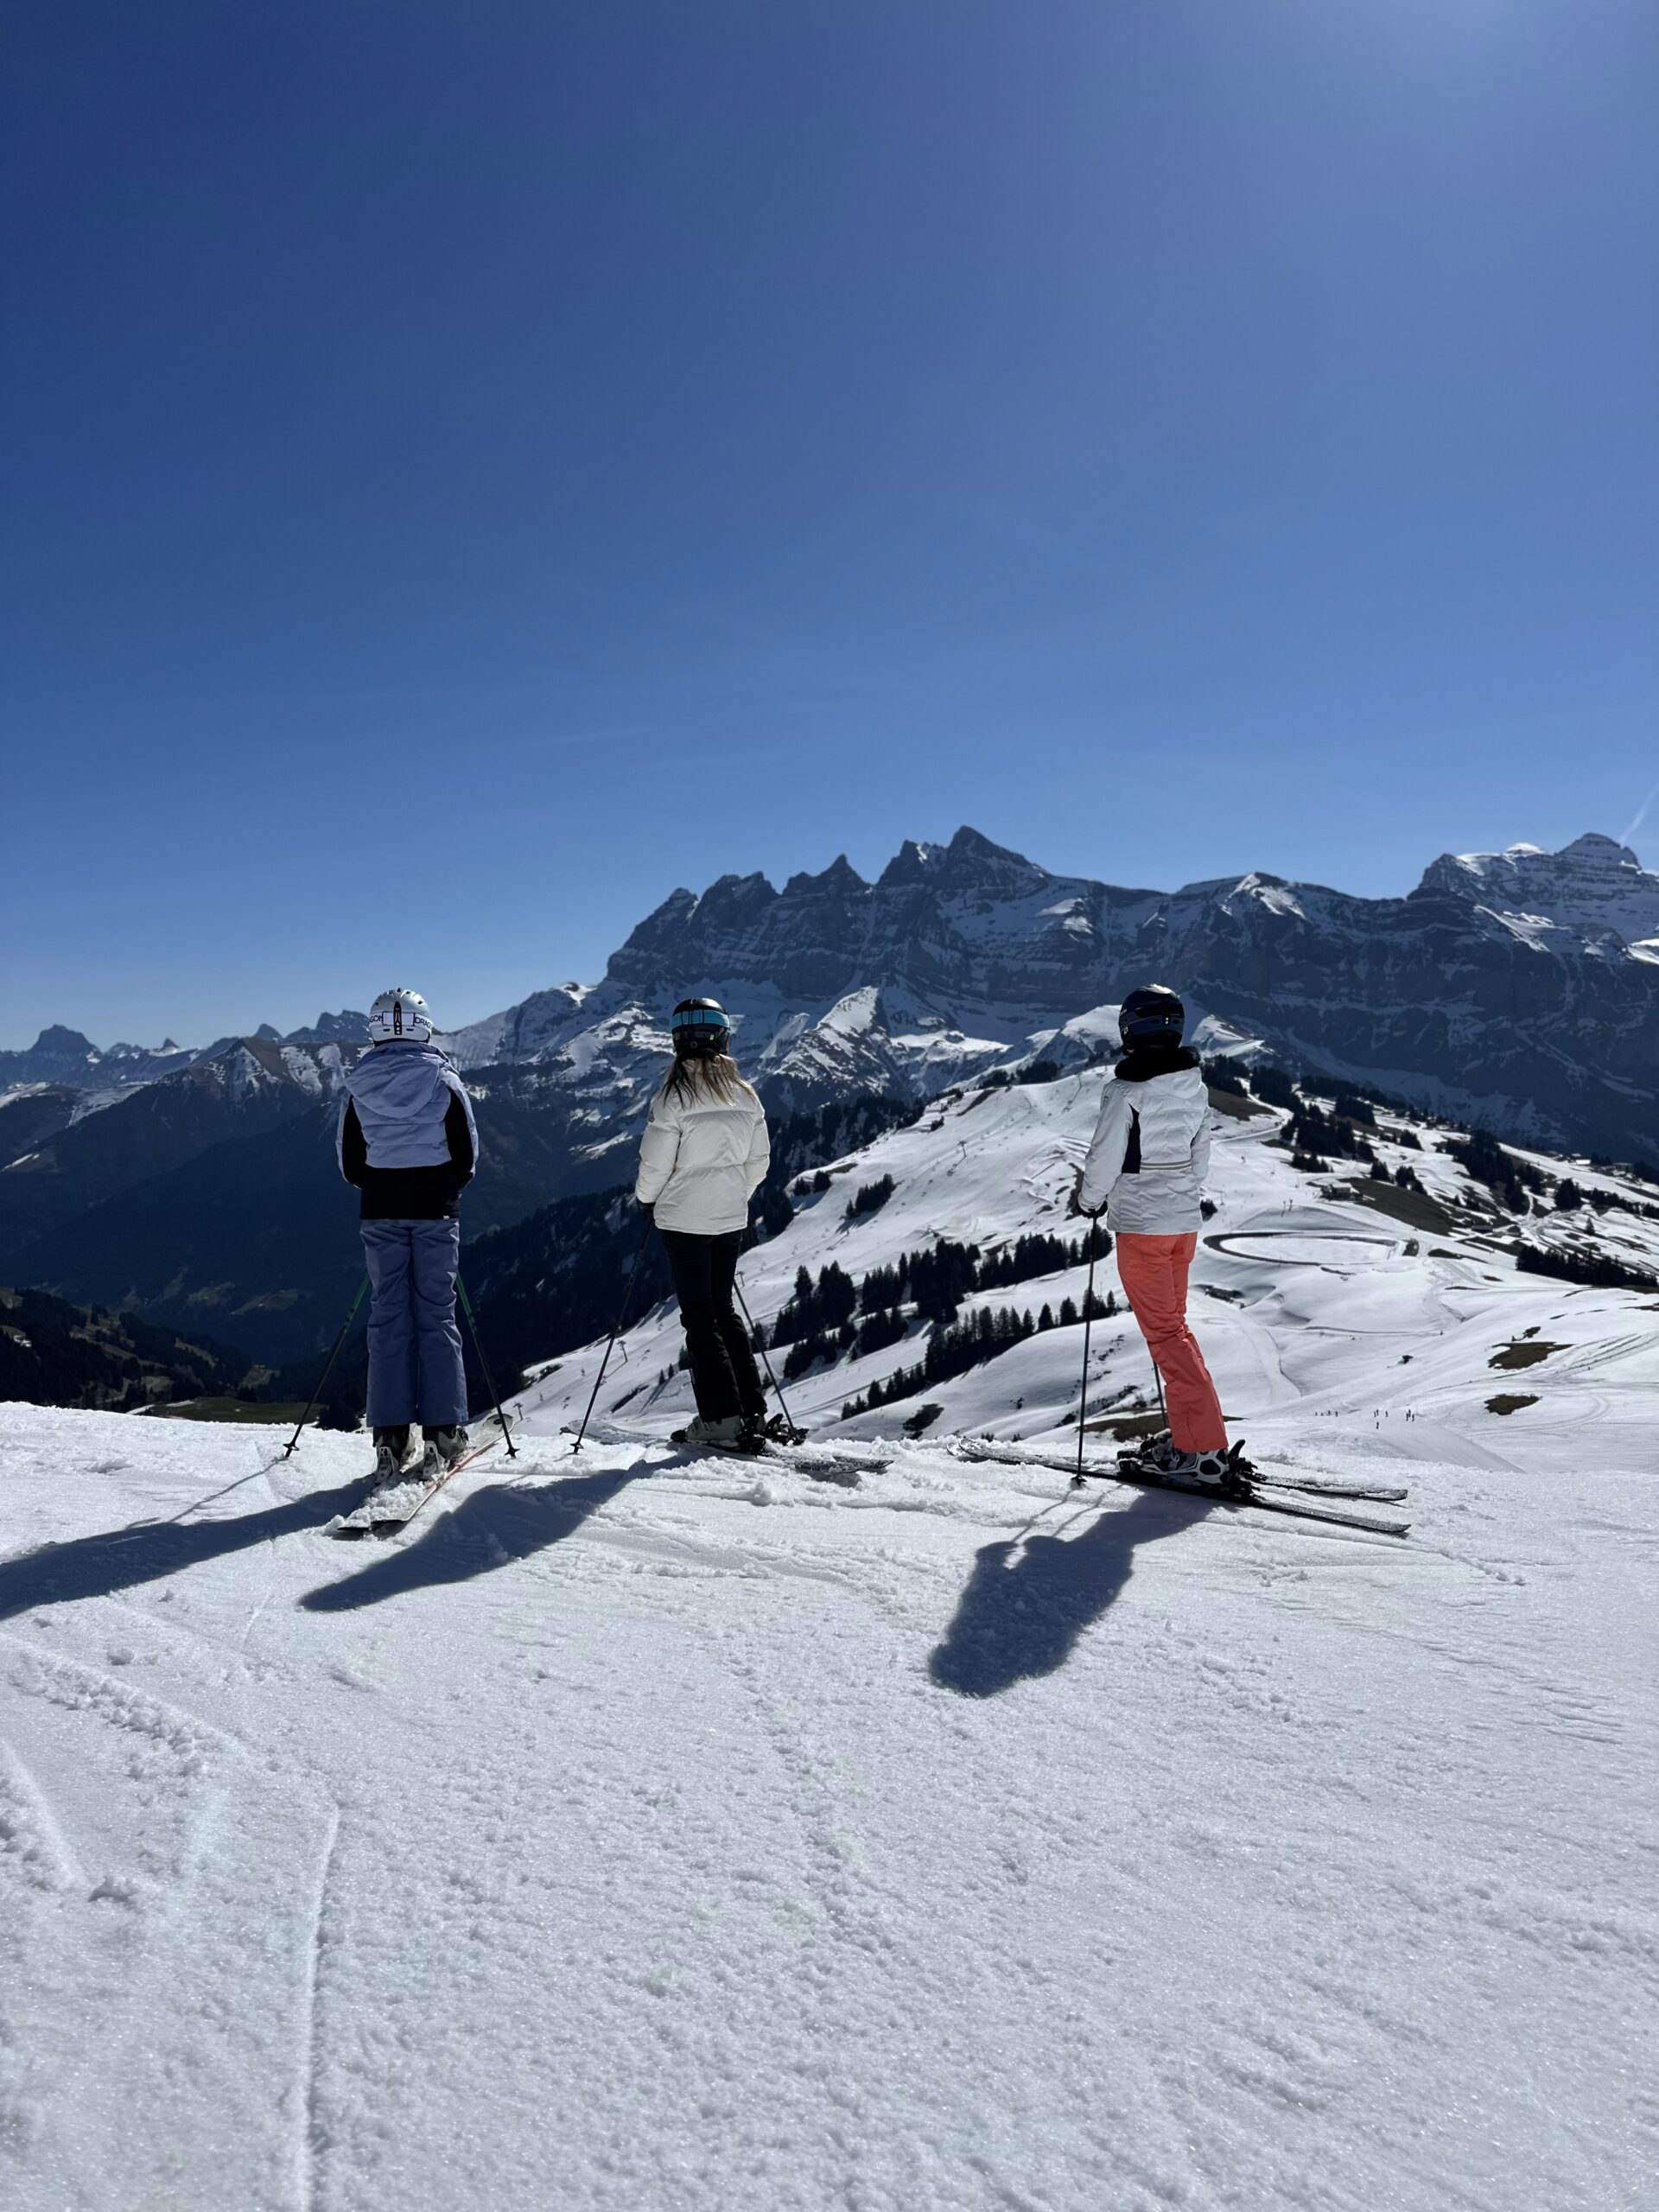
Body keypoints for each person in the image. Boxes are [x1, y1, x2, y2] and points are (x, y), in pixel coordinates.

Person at [1073, 984, 1230, 1485]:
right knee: (1175, 1330)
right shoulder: (1194, 1086)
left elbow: (1105, 1157)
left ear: (1129, 1029)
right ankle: (1191, 1436)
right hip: (1182, 1225)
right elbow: (1199, 1164)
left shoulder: (1125, 1091)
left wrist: (1089, 1201)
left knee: (1166, 1336)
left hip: (1142, 1228)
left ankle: (1203, 1451)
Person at [338, 987, 479, 1484]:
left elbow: (350, 1163)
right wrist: (442, 1189)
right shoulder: (444, 1080)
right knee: (436, 1315)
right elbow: (467, 1155)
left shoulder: (358, 1084)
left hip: (381, 1211)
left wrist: (383, 1187)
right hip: (437, 1211)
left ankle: (391, 1436)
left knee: (388, 1317)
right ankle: (444, 1432)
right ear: (425, 1026)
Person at [635, 998, 772, 1450]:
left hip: (683, 1221)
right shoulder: (745, 1093)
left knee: (699, 1316)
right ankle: (751, 1411)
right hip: (729, 1219)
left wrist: (646, 1200)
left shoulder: (672, 1096)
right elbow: (758, 1164)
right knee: (723, 1310)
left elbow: (655, 1165)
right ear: (724, 1037)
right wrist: (731, 1196)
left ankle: (720, 1420)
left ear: (678, 1042)